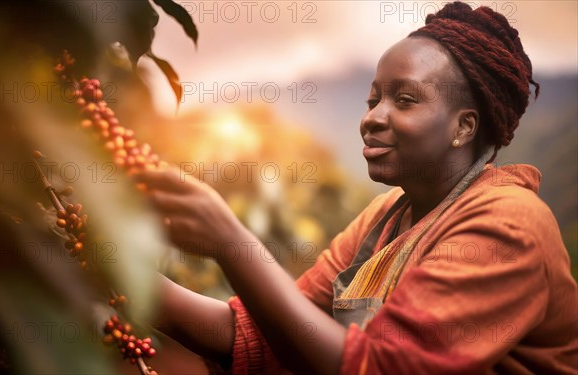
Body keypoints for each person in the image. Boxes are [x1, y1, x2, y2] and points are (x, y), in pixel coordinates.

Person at [136, 2, 578, 374]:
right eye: (373, 101)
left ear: (463, 127)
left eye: (404, 100)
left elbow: (377, 366)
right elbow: (265, 336)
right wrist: (103, 267)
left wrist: (231, 243)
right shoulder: (385, 219)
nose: (372, 118)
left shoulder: (508, 227)